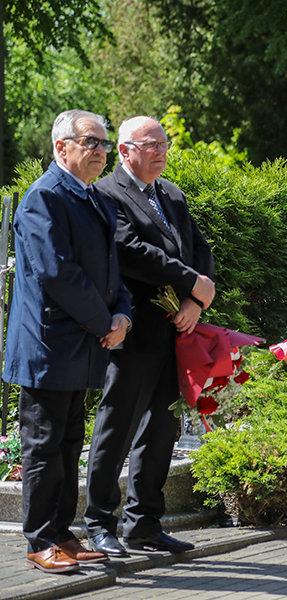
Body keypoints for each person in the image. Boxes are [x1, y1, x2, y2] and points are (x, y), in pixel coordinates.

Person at [3, 110, 132, 573]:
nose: (101, 151)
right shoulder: (44, 199)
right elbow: (58, 274)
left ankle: (62, 533)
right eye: (91, 142)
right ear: (62, 147)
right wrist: (105, 321)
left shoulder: (94, 199)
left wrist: (123, 313)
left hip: (82, 344)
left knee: (67, 444)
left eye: (104, 144)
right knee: (43, 446)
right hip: (47, 346)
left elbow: (111, 273)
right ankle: (40, 540)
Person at [85, 116, 215, 556]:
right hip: (132, 330)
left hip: (176, 332)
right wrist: (191, 281)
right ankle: (100, 523)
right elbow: (130, 252)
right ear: (124, 151)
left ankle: (144, 523)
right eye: (151, 144)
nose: (161, 151)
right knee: (116, 427)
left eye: (164, 143)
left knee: (162, 429)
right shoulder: (106, 195)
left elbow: (200, 249)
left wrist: (196, 301)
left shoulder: (171, 194)